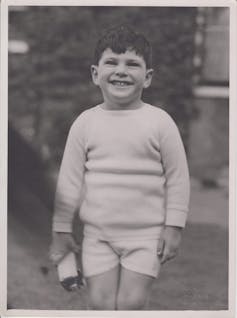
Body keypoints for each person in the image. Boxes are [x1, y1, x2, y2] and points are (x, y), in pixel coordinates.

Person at [49, 24, 190, 310]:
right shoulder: (85, 123)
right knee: (100, 304)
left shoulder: (160, 122)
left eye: (132, 64)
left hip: (146, 235)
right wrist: (61, 229)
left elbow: (178, 178)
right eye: (111, 62)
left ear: (147, 77)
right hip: (97, 235)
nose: (121, 70)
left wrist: (174, 227)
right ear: (95, 73)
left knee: (131, 303)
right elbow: (68, 182)